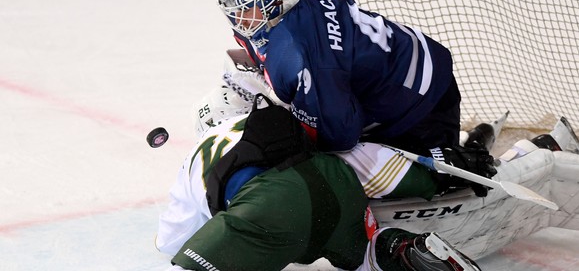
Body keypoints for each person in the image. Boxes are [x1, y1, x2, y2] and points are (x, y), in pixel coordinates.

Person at [157, 95, 481, 271]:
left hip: (272, 210)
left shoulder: (192, 163)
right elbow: (357, 154)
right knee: (365, 251)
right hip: (333, 182)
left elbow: (171, 243)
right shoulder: (270, 117)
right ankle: (410, 250)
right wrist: (431, 173)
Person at [215, 0, 462, 156]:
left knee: (338, 168)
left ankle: (459, 160)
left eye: (246, 11)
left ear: (271, 3)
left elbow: (341, 136)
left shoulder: (300, 53)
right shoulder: (290, 2)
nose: (239, 20)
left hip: (423, 104)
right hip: (405, 66)